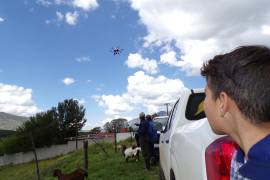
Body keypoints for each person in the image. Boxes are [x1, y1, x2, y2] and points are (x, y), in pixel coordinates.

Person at [201, 45, 270, 179]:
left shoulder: (261, 171)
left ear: (222, 102)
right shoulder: (243, 157)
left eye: (206, 95)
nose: (204, 104)